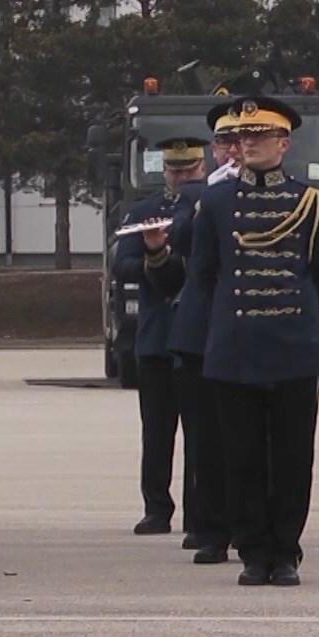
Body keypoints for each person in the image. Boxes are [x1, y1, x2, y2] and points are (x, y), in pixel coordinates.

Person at [184, 96, 319, 587]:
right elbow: (204, 274)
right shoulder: (213, 201)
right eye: (239, 136)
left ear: (283, 142)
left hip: (294, 345)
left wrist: (291, 315)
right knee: (242, 453)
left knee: (293, 455)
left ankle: (286, 550)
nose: (245, 144)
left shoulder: (309, 200)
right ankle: (253, 551)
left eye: (257, 136)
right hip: (235, 344)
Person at [150, 105, 237, 563]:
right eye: (223, 142)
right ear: (214, 149)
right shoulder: (198, 194)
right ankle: (210, 526)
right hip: (203, 330)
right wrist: (209, 195)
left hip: (256, 327)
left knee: (253, 437)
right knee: (205, 438)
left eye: (238, 140)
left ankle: (255, 524)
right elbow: (181, 240)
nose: (232, 149)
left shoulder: (293, 195)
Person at [115, 136, 209, 540]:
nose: (180, 177)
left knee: (202, 433)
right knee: (156, 432)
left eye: (188, 170)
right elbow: (124, 264)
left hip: (197, 337)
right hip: (157, 335)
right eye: (173, 170)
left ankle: (199, 514)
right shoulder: (145, 210)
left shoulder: (211, 207)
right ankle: (156, 508)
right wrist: (159, 261)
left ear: (201, 168)